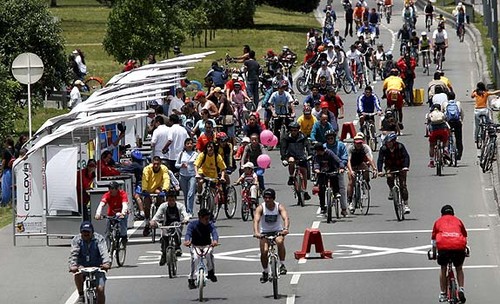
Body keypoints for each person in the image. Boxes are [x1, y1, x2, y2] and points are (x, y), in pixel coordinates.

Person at [431, 205, 468, 303]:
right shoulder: (458, 221)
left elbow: (434, 241)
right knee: (459, 267)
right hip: (458, 247)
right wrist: (465, 249)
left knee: (443, 268)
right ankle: (461, 288)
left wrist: (434, 253)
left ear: (442, 214)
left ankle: (443, 293)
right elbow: (464, 235)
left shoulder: (438, 222)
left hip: (443, 248)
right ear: (453, 213)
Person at [253, 188, 290, 283]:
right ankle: (265, 271)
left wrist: (285, 229)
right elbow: (256, 220)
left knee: (280, 241)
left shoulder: (279, 207)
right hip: (264, 233)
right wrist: (257, 233)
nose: (267, 200)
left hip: (277, 231)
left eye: (269, 198)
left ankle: (282, 264)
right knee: (264, 251)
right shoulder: (261, 208)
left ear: (273, 198)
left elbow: (285, 218)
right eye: (265, 198)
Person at [69, 221, 111, 304]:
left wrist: (106, 263)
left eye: (88, 232)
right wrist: (73, 265)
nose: (86, 234)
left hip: (98, 266)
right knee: (77, 274)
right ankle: (81, 295)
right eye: (84, 232)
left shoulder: (99, 239)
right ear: (81, 232)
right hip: (82, 266)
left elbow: (104, 251)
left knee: (100, 289)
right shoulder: (76, 240)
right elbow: (74, 253)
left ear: (92, 232)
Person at [150, 190, 190, 264]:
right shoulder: (163, 206)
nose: (171, 202)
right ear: (167, 200)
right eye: (169, 200)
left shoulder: (180, 206)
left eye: (173, 200)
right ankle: (164, 254)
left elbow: (185, 214)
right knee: (164, 238)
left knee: (176, 228)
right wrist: (153, 221)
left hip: (177, 224)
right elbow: (157, 215)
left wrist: (186, 219)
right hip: (166, 225)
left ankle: (178, 247)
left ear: (175, 200)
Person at [184, 208, 219, 289]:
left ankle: (211, 272)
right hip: (195, 245)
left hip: (207, 245)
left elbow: (214, 233)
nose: (207, 221)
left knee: (209, 254)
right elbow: (188, 233)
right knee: (195, 258)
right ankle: (192, 278)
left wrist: (215, 241)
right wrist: (187, 241)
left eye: (208, 218)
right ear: (200, 218)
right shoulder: (192, 225)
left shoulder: (210, 225)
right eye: (206, 219)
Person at [377, 134, 411, 214]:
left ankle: (406, 205)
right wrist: (380, 171)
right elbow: (380, 160)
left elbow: (406, 156)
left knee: (403, 186)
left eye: (390, 142)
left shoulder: (400, 146)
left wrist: (406, 166)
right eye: (387, 142)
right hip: (390, 166)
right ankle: (392, 190)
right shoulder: (384, 148)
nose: (388, 144)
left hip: (401, 166)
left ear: (394, 142)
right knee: (389, 176)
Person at [281, 122, 312, 200]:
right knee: (291, 161)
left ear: (298, 130)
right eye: (292, 130)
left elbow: (308, 145)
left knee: (304, 172)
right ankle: (291, 176)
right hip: (291, 155)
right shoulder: (286, 138)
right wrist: (284, 158)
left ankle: (304, 190)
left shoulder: (303, 136)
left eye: (295, 130)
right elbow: (283, 149)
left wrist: (310, 154)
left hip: (301, 155)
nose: (294, 132)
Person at [346, 133, 377, 212]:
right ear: (354, 143)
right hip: (352, 165)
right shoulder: (350, 148)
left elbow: (369, 158)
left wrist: (374, 169)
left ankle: (366, 181)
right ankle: (350, 201)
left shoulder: (365, 148)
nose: (359, 145)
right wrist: (351, 170)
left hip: (360, 163)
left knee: (366, 169)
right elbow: (348, 160)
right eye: (357, 143)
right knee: (351, 181)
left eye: (360, 143)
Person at [313, 142, 346, 215]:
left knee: (334, 178)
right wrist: (317, 170)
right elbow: (316, 164)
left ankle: (336, 192)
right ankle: (322, 207)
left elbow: (338, 160)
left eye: (318, 151)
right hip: (322, 172)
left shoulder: (329, 153)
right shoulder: (316, 156)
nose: (317, 152)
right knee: (321, 189)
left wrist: (341, 167)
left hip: (332, 170)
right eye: (316, 151)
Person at [141, 156, 171, 236]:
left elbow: (166, 179)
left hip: (158, 187)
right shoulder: (147, 169)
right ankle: (147, 222)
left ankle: (160, 214)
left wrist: (165, 189)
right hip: (148, 188)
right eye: (154, 164)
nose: (156, 166)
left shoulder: (164, 169)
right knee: (146, 205)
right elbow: (145, 179)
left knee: (160, 198)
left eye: (158, 164)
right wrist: (144, 189)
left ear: (160, 164)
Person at [175, 138, 199, 216]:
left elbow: (198, 164)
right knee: (185, 194)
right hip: (183, 176)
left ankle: (190, 211)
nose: (189, 145)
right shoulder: (181, 154)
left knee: (191, 193)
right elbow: (176, 165)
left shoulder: (195, 154)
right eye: (187, 143)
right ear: (185, 145)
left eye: (191, 143)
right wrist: (181, 165)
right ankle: (186, 211)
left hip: (192, 175)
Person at [443, 92, 464, 161]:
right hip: (457, 122)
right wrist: (461, 121)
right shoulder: (458, 103)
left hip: (449, 123)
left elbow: (443, 114)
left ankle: (447, 151)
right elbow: (461, 113)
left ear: (447, 97)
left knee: (447, 138)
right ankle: (459, 154)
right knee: (459, 138)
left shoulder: (445, 104)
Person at [1, 137, 15, 206]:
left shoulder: (5, 151)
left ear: (6, 143)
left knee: (6, 187)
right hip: (14, 170)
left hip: (7, 170)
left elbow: (3, 161)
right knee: (13, 186)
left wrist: (1, 170)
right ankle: (13, 201)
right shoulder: (15, 150)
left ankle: (5, 202)